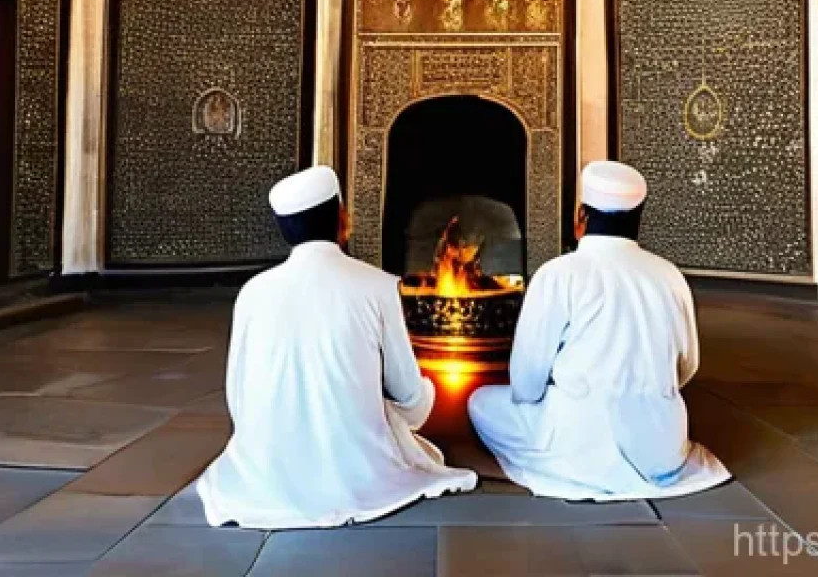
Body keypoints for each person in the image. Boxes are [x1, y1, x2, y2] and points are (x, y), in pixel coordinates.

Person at [197, 165, 477, 528]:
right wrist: (416, 404)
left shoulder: (253, 292)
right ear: (341, 219)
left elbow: (239, 397)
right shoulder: (378, 285)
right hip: (359, 476)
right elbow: (411, 399)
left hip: (265, 471)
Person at [468, 160, 730, 501]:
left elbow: (526, 382)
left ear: (581, 219)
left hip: (578, 447)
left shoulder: (559, 274)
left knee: (481, 402)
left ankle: (562, 463)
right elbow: (686, 367)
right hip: (662, 451)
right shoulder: (669, 275)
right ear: (637, 221)